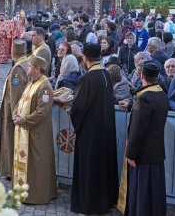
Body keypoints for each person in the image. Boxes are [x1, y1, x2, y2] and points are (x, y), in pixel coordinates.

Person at [70, 43, 118, 214]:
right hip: (104, 130)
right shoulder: (105, 73)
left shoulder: (88, 78)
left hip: (90, 132)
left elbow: (79, 108)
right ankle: (105, 201)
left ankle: (90, 203)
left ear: (85, 58)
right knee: (103, 167)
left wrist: (71, 110)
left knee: (90, 168)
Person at [118, 61, 168, 216]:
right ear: (158, 76)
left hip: (143, 154)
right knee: (155, 191)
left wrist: (131, 154)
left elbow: (137, 131)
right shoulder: (161, 93)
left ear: (141, 75)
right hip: (156, 151)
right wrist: (132, 106)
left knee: (141, 192)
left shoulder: (144, 99)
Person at [12, 55, 57, 204]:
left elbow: (41, 113)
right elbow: (21, 101)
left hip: (37, 133)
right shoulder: (32, 83)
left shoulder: (45, 88)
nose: (27, 68)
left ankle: (36, 195)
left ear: (37, 69)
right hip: (26, 130)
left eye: (30, 66)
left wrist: (23, 120)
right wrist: (15, 113)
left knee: (37, 165)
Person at [0, 39, 30, 179]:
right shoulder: (27, 62)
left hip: (12, 114)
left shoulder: (17, 69)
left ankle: (10, 170)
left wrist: (15, 115)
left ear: (13, 52)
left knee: (10, 141)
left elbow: (16, 95)